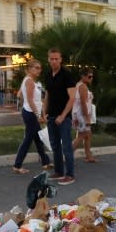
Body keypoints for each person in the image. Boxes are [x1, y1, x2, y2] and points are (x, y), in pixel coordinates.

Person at [43, 48, 76, 186]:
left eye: (57, 59)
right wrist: (43, 112)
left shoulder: (67, 75)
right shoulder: (48, 75)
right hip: (51, 116)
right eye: (52, 58)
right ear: (48, 59)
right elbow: (47, 95)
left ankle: (70, 175)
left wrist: (63, 116)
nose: (54, 61)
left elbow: (72, 98)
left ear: (61, 59)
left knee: (67, 147)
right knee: (55, 146)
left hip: (64, 118)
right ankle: (58, 171)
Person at [13, 59, 52, 174]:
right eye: (36, 67)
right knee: (28, 139)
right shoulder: (29, 81)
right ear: (29, 69)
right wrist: (39, 115)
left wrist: (41, 114)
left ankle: (45, 162)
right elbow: (30, 100)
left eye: (40, 68)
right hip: (30, 113)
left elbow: (22, 95)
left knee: (38, 138)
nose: (39, 70)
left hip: (30, 112)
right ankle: (17, 165)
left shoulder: (31, 81)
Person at [72, 66, 97, 163]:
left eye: (92, 76)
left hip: (80, 114)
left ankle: (88, 155)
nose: (91, 78)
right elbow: (83, 103)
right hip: (82, 115)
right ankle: (67, 154)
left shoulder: (80, 85)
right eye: (89, 76)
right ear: (83, 76)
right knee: (82, 135)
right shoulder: (82, 86)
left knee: (87, 135)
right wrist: (87, 118)